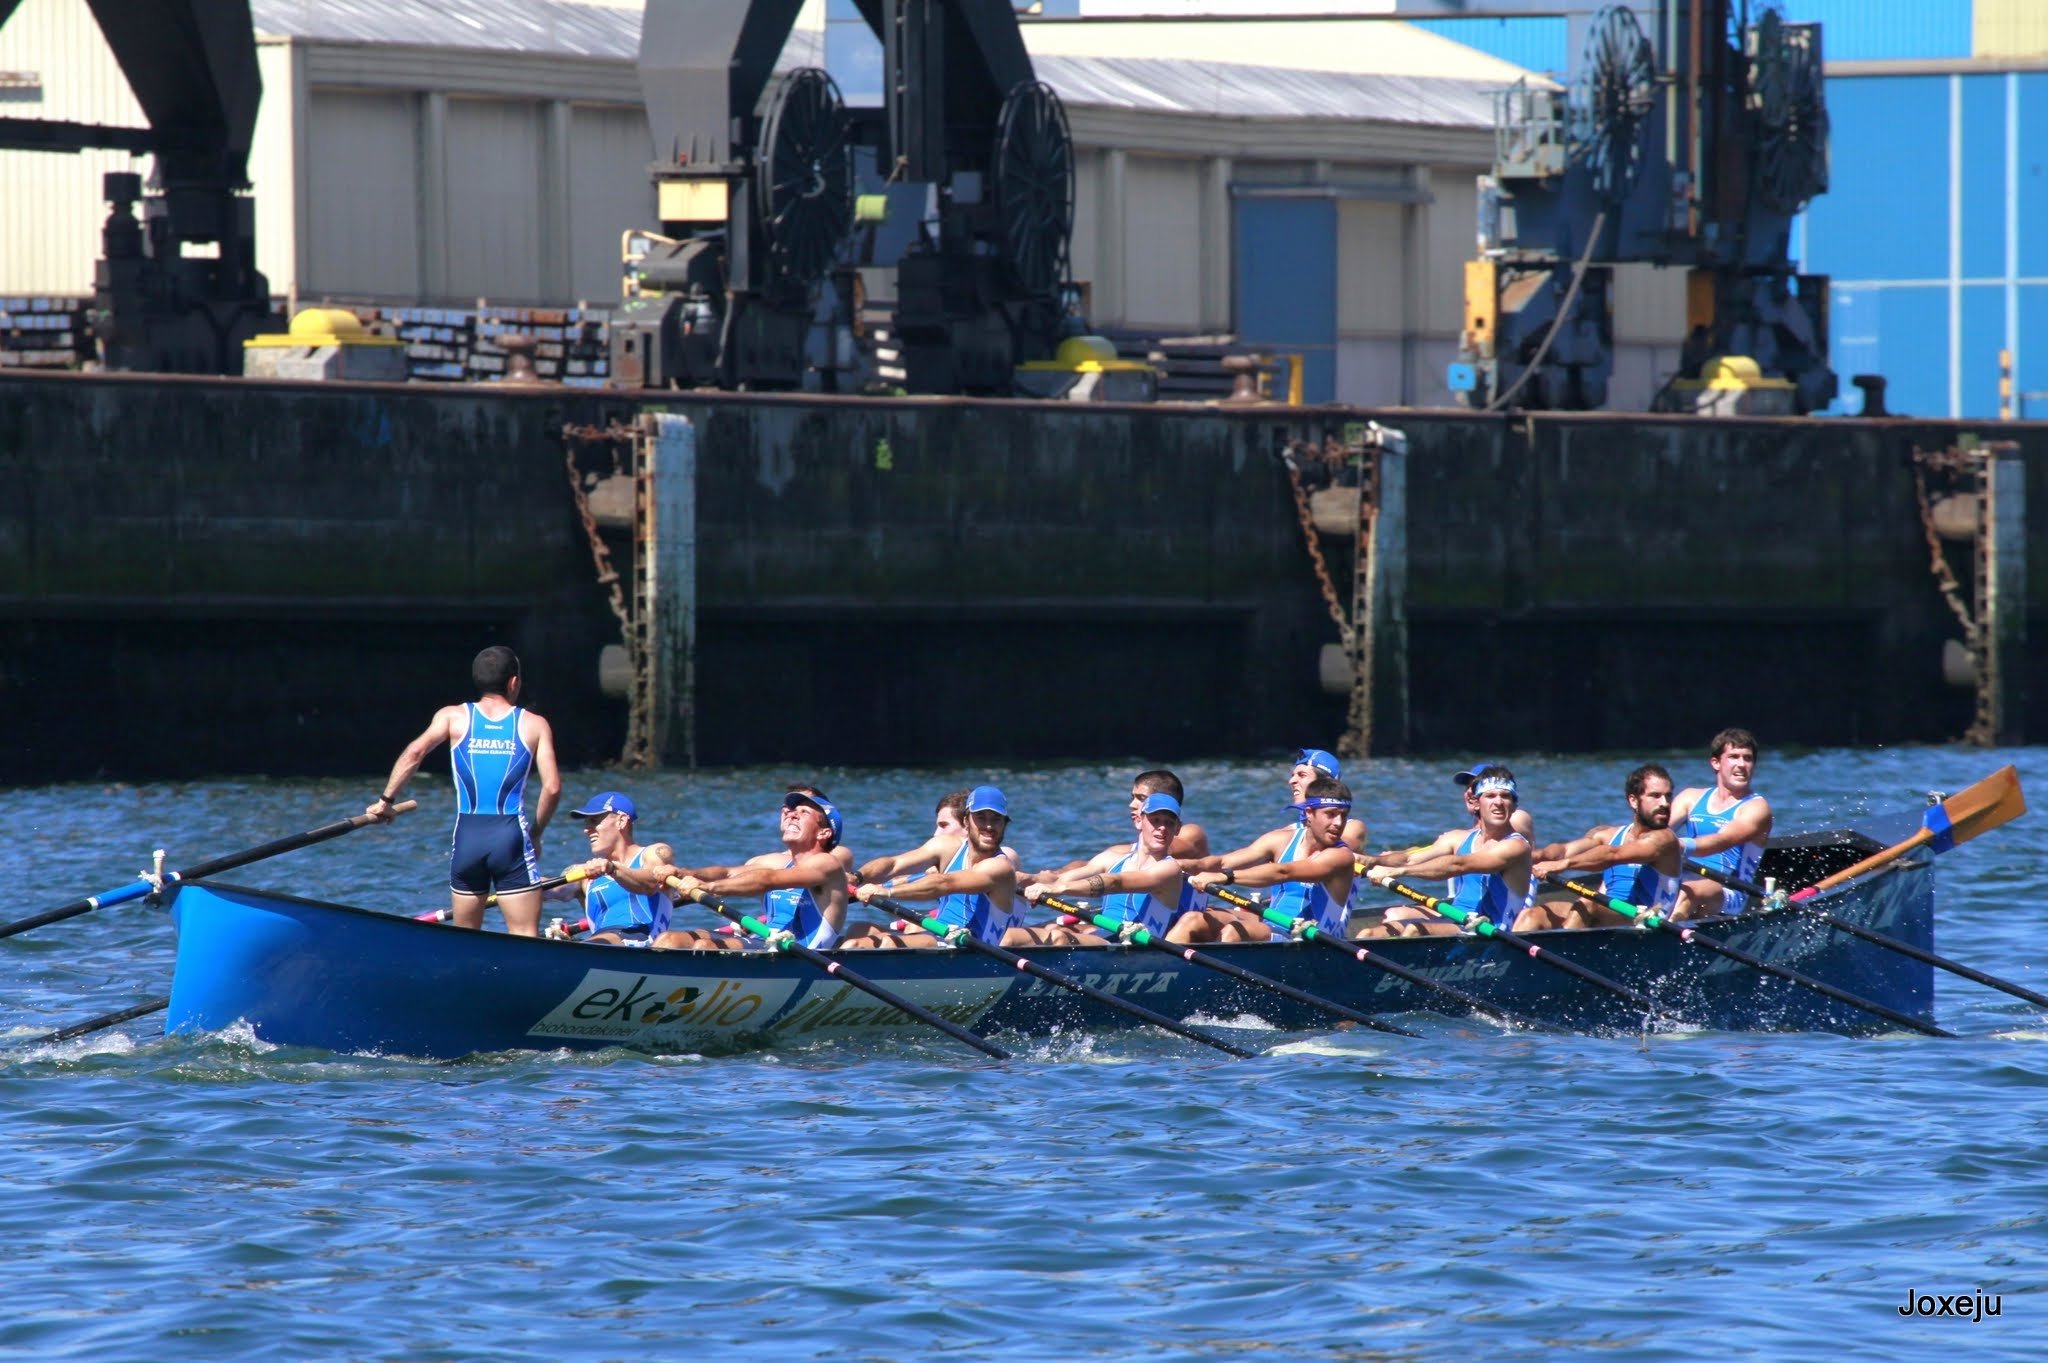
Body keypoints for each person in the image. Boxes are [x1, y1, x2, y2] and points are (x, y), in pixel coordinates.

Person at [368, 645, 561, 936]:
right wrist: (535, 833)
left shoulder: (452, 717)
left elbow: (415, 753)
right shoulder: (534, 724)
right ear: (513, 683)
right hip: (510, 837)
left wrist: (385, 801)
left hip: (467, 839)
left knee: (466, 938)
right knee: (525, 936)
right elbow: (553, 787)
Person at [636, 789, 849, 951]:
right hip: (765, 942)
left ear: (823, 833)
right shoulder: (777, 861)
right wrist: (683, 873)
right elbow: (727, 873)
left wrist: (708, 887)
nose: (792, 814)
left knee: (704, 947)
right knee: (668, 940)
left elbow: (768, 880)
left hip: (797, 953)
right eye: (792, 810)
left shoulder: (827, 864)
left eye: (804, 812)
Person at [1180, 777, 1360, 944]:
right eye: (1331, 814)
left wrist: (1224, 877)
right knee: (1194, 919)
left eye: (1344, 815)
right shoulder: (1280, 839)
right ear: (1309, 813)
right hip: (1272, 925)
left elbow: (1283, 872)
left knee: (1233, 932)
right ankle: (1165, 964)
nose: (1339, 823)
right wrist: (1185, 865)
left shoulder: (1340, 856)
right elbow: (1222, 862)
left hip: (1313, 942)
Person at [1362, 765, 1532, 936]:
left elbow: (1459, 865)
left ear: (1514, 805)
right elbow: (1409, 859)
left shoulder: (1516, 846)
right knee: (1369, 934)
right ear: (1476, 803)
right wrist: (1370, 861)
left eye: (1505, 796)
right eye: (1490, 796)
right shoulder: (1458, 838)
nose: (1499, 802)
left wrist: (1399, 872)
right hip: (1456, 920)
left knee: (1415, 930)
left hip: (1491, 930)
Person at [845, 785, 1023, 948]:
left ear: (1005, 824)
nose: (989, 826)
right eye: (981, 818)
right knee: (857, 933)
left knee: (886, 943)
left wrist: (886, 892)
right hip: (940, 937)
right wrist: (857, 877)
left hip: (972, 950)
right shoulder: (947, 847)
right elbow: (893, 864)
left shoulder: (1001, 867)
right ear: (966, 821)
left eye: (996, 819)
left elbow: (944, 884)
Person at [1523, 764, 1682, 930]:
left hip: (1647, 922)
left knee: (1587, 904)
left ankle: (1563, 945)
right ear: (1633, 801)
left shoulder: (1665, 839)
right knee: (1533, 915)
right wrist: (1529, 857)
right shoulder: (1607, 834)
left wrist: (1564, 864)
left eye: (1668, 796)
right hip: (1611, 916)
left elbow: (1613, 855)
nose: (1665, 803)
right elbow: (1563, 851)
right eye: (1655, 796)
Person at [1023, 792, 1190, 945]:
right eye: (1156, 820)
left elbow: (1116, 882)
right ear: (1139, 821)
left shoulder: (1169, 869)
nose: (1162, 827)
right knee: (1052, 929)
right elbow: (1062, 879)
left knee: (1058, 937)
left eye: (1169, 823)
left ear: (1177, 829)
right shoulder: (1111, 858)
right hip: (1108, 940)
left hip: (1138, 948)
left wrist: (1060, 889)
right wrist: (1028, 884)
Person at [1670, 728, 1774, 918]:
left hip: (1731, 892)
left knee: (1686, 893)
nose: (1742, 764)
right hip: (1687, 879)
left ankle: (1663, 934)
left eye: (1748, 758)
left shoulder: (1756, 808)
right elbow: (1657, 831)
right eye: (1734, 757)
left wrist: (1677, 845)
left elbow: (1722, 841)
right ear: (1716, 763)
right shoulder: (1690, 797)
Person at [555, 791, 675, 945]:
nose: (586, 829)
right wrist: (526, 880)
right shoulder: (585, 873)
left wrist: (613, 869)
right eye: (586, 823)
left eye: (594, 820)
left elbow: (651, 884)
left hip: (643, 940)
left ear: (621, 821)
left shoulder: (654, 852)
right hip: (602, 943)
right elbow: (553, 890)